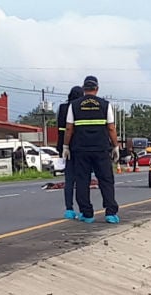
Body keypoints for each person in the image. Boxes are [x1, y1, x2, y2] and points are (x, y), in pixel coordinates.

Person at [63, 75, 120, 224]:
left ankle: (87, 214)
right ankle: (110, 213)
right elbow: (111, 127)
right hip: (101, 149)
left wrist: (65, 146)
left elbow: (69, 128)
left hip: (80, 149)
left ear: (84, 89)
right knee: (106, 180)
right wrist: (115, 146)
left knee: (82, 180)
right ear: (97, 89)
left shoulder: (74, 105)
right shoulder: (105, 105)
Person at [56, 86, 84, 219]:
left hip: (66, 147)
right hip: (80, 147)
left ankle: (69, 209)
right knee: (82, 180)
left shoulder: (62, 108)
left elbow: (61, 129)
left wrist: (62, 147)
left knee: (69, 180)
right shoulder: (79, 107)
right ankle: (83, 209)